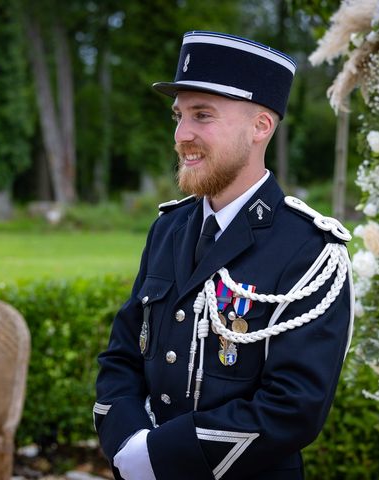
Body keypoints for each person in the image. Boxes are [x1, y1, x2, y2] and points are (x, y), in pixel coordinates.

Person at [94, 31, 354, 480]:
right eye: (179, 116)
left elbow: (293, 407)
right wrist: (128, 443)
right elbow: (122, 357)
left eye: (203, 115)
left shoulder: (310, 249)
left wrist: (161, 456)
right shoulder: (167, 229)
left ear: (260, 127)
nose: (181, 135)